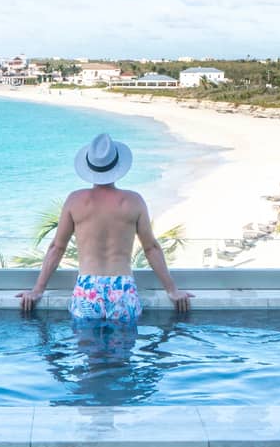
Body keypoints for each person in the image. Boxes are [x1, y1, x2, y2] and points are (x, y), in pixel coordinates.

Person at [16, 133, 193, 321]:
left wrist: (37, 290)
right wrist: (172, 290)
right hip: (123, 289)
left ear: (89, 167)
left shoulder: (75, 201)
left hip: (87, 288)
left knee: (88, 347)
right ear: (117, 166)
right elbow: (151, 248)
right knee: (123, 346)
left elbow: (57, 248)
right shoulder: (133, 201)